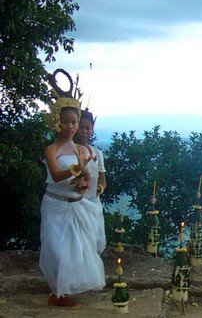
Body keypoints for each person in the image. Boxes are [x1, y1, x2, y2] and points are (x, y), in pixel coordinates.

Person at [40, 71, 105, 307]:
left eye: (74, 122)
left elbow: (87, 177)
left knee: (74, 250)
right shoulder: (52, 149)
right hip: (55, 202)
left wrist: (84, 181)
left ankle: (62, 292)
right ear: (57, 122)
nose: (70, 126)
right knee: (55, 248)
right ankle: (58, 290)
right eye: (66, 122)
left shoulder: (80, 149)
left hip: (74, 204)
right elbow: (57, 175)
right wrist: (76, 170)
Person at [75, 108, 107, 254]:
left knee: (93, 238)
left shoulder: (97, 153)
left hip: (93, 201)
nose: (84, 131)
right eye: (81, 127)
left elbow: (102, 180)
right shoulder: (70, 150)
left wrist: (99, 188)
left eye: (88, 128)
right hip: (76, 200)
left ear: (92, 130)